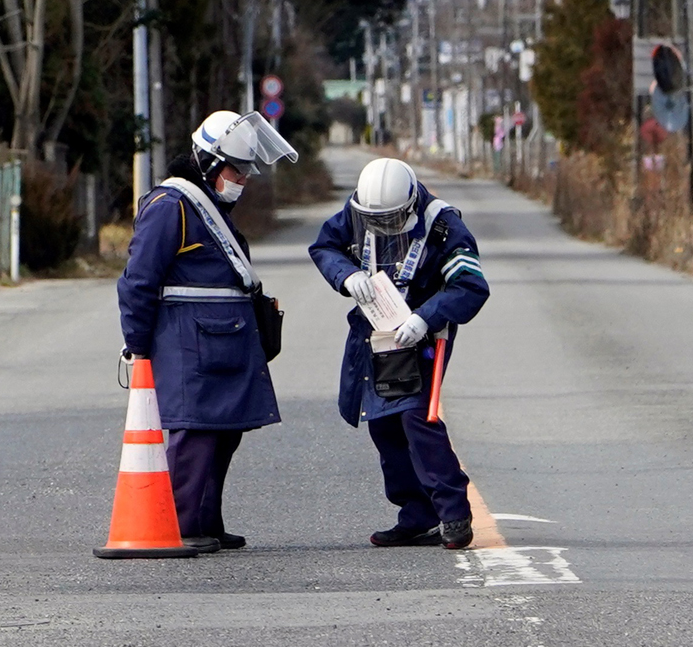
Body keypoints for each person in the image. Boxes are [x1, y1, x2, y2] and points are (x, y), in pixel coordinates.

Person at [115, 110, 297, 553]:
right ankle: (177, 525)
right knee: (195, 435)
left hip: (220, 341)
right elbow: (137, 282)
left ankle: (205, 521)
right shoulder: (171, 206)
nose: (243, 179)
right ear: (210, 163)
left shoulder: (207, 206)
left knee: (222, 433)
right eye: (237, 170)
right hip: (188, 343)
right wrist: (138, 346)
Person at [309, 158, 489, 550]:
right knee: (382, 423)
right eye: (376, 219)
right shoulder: (358, 211)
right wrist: (346, 274)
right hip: (372, 331)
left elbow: (471, 285)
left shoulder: (443, 226)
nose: (382, 226)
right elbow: (324, 245)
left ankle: (453, 512)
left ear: (408, 204)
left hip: (422, 334)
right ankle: (417, 515)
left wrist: (426, 318)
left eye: (391, 218)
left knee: (414, 416)